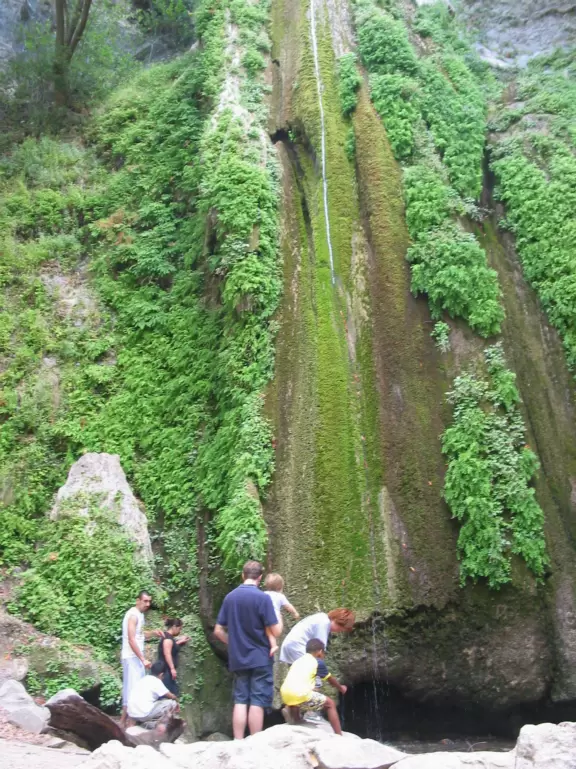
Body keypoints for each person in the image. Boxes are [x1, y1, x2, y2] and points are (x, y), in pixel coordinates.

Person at [213, 561, 281, 739]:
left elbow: (218, 630)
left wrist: (233, 643)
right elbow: (276, 630)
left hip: (238, 657)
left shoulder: (230, 597)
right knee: (257, 700)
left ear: (243, 575)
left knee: (241, 699)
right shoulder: (263, 598)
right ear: (259, 577)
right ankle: (255, 741)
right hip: (260, 657)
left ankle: (238, 740)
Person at [280, 638, 347, 734]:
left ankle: (295, 718)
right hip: (300, 694)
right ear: (320, 652)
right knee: (330, 704)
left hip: (285, 694)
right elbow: (331, 680)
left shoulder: (298, 661)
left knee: (297, 694)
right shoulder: (318, 662)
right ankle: (339, 734)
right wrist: (341, 688)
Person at [120, 590, 162, 728]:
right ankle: (128, 724)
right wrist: (143, 659)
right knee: (132, 691)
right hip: (131, 657)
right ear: (138, 600)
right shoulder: (133, 615)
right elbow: (131, 640)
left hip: (135, 658)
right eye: (145, 601)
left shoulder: (139, 615)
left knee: (132, 690)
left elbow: (139, 634)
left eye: (149, 601)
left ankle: (124, 723)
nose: (148, 604)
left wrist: (153, 633)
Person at [279, 608, 356, 664]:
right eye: (340, 629)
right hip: (297, 646)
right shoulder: (324, 623)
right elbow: (319, 651)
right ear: (336, 620)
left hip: (291, 645)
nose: (338, 631)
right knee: (313, 678)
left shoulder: (321, 617)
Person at [127, 661, 178, 729]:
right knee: (172, 703)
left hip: (132, 713)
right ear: (161, 675)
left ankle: (137, 724)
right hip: (143, 714)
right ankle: (156, 725)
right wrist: (177, 700)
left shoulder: (143, 679)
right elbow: (170, 696)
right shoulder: (156, 681)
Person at [263, 573, 300, 655]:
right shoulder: (280, 596)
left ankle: (273, 645)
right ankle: (274, 646)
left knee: (268, 630)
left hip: (265, 618)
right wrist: (295, 613)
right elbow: (288, 606)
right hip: (275, 619)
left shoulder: (263, 594)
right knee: (278, 620)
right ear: (280, 587)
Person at [158, 618, 189, 695]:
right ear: (174, 626)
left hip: (166, 670)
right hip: (166, 671)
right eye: (179, 628)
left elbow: (171, 646)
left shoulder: (168, 637)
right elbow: (167, 653)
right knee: (170, 694)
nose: (180, 631)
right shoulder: (167, 638)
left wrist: (180, 642)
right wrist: (172, 668)